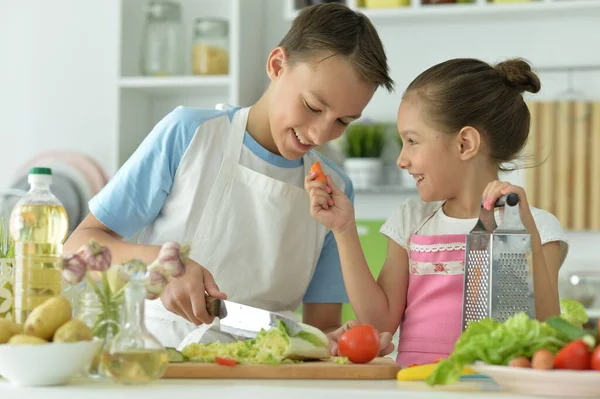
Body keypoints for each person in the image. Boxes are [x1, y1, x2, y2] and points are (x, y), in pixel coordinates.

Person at [64, 3, 395, 349]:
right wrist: (163, 265)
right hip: (158, 363)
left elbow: (321, 329)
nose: (320, 133)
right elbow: (78, 245)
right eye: (313, 106)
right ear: (277, 65)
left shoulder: (336, 190)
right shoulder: (192, 134)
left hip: (264, 377)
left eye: (343, 121)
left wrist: (343, 343)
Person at [305, 57, 569, 365]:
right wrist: (343, 229)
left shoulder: (537, 225)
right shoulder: (412, 220)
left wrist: (524, 235)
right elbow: (380, 324)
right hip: (415, 387)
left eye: (412, 141)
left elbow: (548, 330)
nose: (401, 160)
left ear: (465, 143)